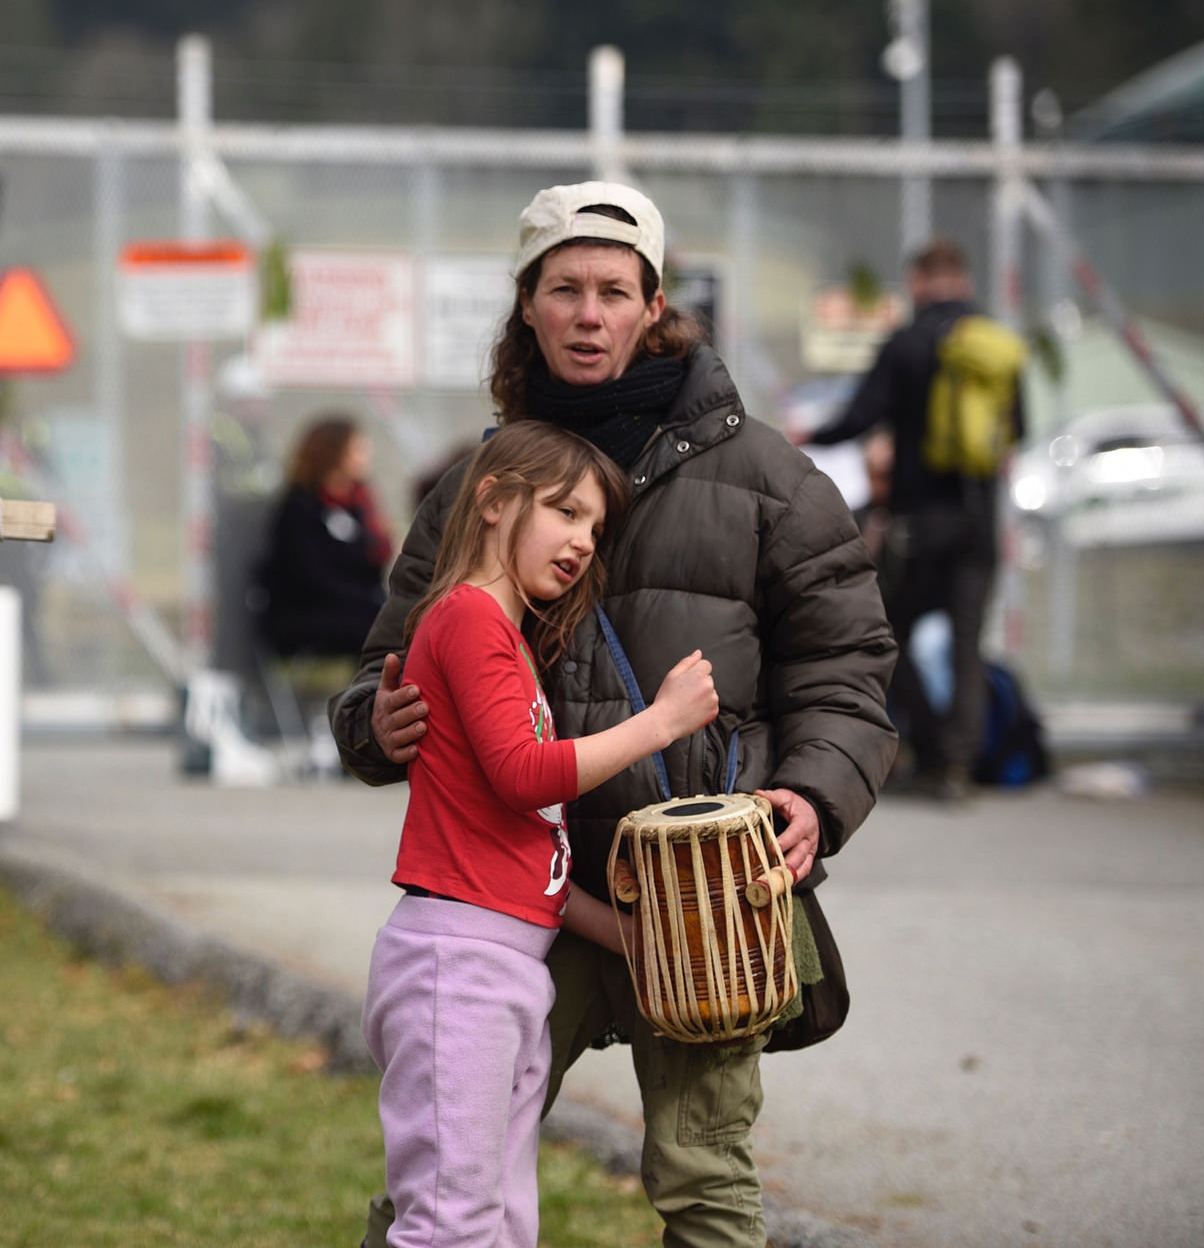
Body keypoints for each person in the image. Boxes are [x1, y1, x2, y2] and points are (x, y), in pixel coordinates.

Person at [331, 181, 897, 1248]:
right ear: (526, 308)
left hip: (701, 894)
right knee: (447, 1181)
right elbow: (382, 672)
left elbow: (846, 664)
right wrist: (374, 722)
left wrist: (814, 792)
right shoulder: (476, 489)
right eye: (562, 289)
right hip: (518, 899)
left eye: (610, 289)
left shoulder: (766, 475)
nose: (586, 312)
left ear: (651, 306)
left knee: (703, 1181)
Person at [365, 420, 718, 1248]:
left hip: (501, 967)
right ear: (492, 500)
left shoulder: (508, 636)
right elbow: (524, 774)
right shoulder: (467, 618)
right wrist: (660, 722)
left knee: (503, 1220)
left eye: (594, 528)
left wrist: (624, 933)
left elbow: (531, 862)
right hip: (459, 969)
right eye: (564, 511)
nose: (582, 541)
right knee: (451, 1222)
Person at [808, 238, 1019, 800]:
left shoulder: (907, 342)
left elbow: (861, 415)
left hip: (919, 523)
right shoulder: (995, 345)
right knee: (968, 642)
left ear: (920, 283)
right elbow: (1016, 429)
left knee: (888, 633)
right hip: (979, 518)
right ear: (965, 281)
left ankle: (924, 746)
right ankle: (956, 767)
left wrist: (809, 435)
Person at [256, 416, 392, 661]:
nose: (366, 454)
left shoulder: (357, 504)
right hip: (303, 616)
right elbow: (307, 576)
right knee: (384, 629)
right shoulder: (300, 506)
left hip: (350, 609)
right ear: (334, 452)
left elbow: (371, 565)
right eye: (358, 448)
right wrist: (367, 602)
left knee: (398, 622)